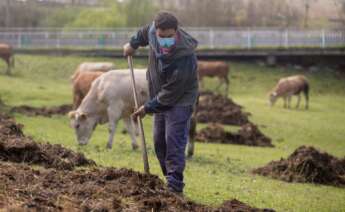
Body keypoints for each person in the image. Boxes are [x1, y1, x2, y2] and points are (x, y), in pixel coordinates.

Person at [123, 11, 198, 194]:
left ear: (176, 31)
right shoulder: (152, 32)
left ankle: (174, 186)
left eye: (170, 37)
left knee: (173, 141)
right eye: (161, 36)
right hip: (159, 95)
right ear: (156, 31)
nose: (165, 41)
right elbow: (143, 32)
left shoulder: (185, 56)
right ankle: (169, 180)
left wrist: (147, 107)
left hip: (180, 99)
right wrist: (132, 44)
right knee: (159, 143)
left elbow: (171, 93)